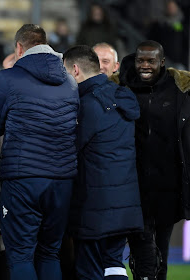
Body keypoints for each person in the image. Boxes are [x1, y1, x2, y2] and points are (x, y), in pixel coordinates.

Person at [0, 24, 79, 280]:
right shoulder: (69, 81)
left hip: (23, 179)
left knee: (21, 255)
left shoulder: (8, 78)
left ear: (19, 48)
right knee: (49, 253)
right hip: (62, 180)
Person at [111, 40, 190, 280]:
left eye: (151, 61)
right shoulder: (119, 88)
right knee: (145, 256)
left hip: (169, 190)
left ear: (162, 62)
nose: (144, 66)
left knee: (161, 256)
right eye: (140, 60)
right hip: (133, 189)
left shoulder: (180, 90)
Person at [63, 45, 144, 280]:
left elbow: (71, 150)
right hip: (124, 202)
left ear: (75, 70)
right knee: (114, 264)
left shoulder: (86, 105)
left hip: (94, 205)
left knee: (89, 271)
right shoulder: (123, 97)